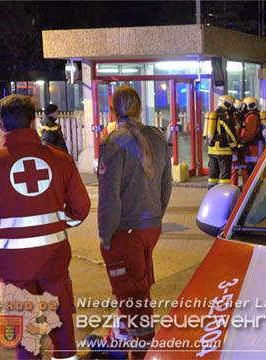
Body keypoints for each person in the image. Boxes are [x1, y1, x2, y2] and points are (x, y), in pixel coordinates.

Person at [0, 94, 90, 360]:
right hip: (54, 259)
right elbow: (81, 208)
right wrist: (56, 223)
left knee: (24, 331)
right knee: (61, 321)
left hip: (13, 264)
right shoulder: (60, 159)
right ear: (34, 122)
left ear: (1, 125)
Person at [94, 86, 172, 359]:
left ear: (113, 109)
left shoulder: (112, 142)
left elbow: (109, 197)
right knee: (137, 291)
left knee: (133, 300)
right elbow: (166, 185)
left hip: (124, 232)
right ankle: (116, 342)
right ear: (139, 108)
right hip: (150, 227)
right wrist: (155, 217)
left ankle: (141, 354)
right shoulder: (158, 137)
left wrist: (105, 235)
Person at [205, 95, 238, 190]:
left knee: (212, 176)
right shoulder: (225, 116)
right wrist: (234, 147)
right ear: (227, 104)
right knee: (225, 177)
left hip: (212, 151)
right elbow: (230, 133)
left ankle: (210, 194)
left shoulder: (213, 115)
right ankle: (223, 196)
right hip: (224, 151)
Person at [239, 96, 266, 177]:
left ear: (249, 105)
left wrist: (240, 140)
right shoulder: (251, 116)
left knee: (253, 172)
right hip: (253, 147)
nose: (243, 107)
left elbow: (250, 134)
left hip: (254, 149)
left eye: (244, 105)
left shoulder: (251, 117)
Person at [231, 99, 248, 188]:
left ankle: (239, 186)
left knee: (239, 167)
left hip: (238, 146)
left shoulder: (236, 118)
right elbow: (237, 132)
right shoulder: (234, 119)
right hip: (236, 147)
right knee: (236, 167)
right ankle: (235, 186)